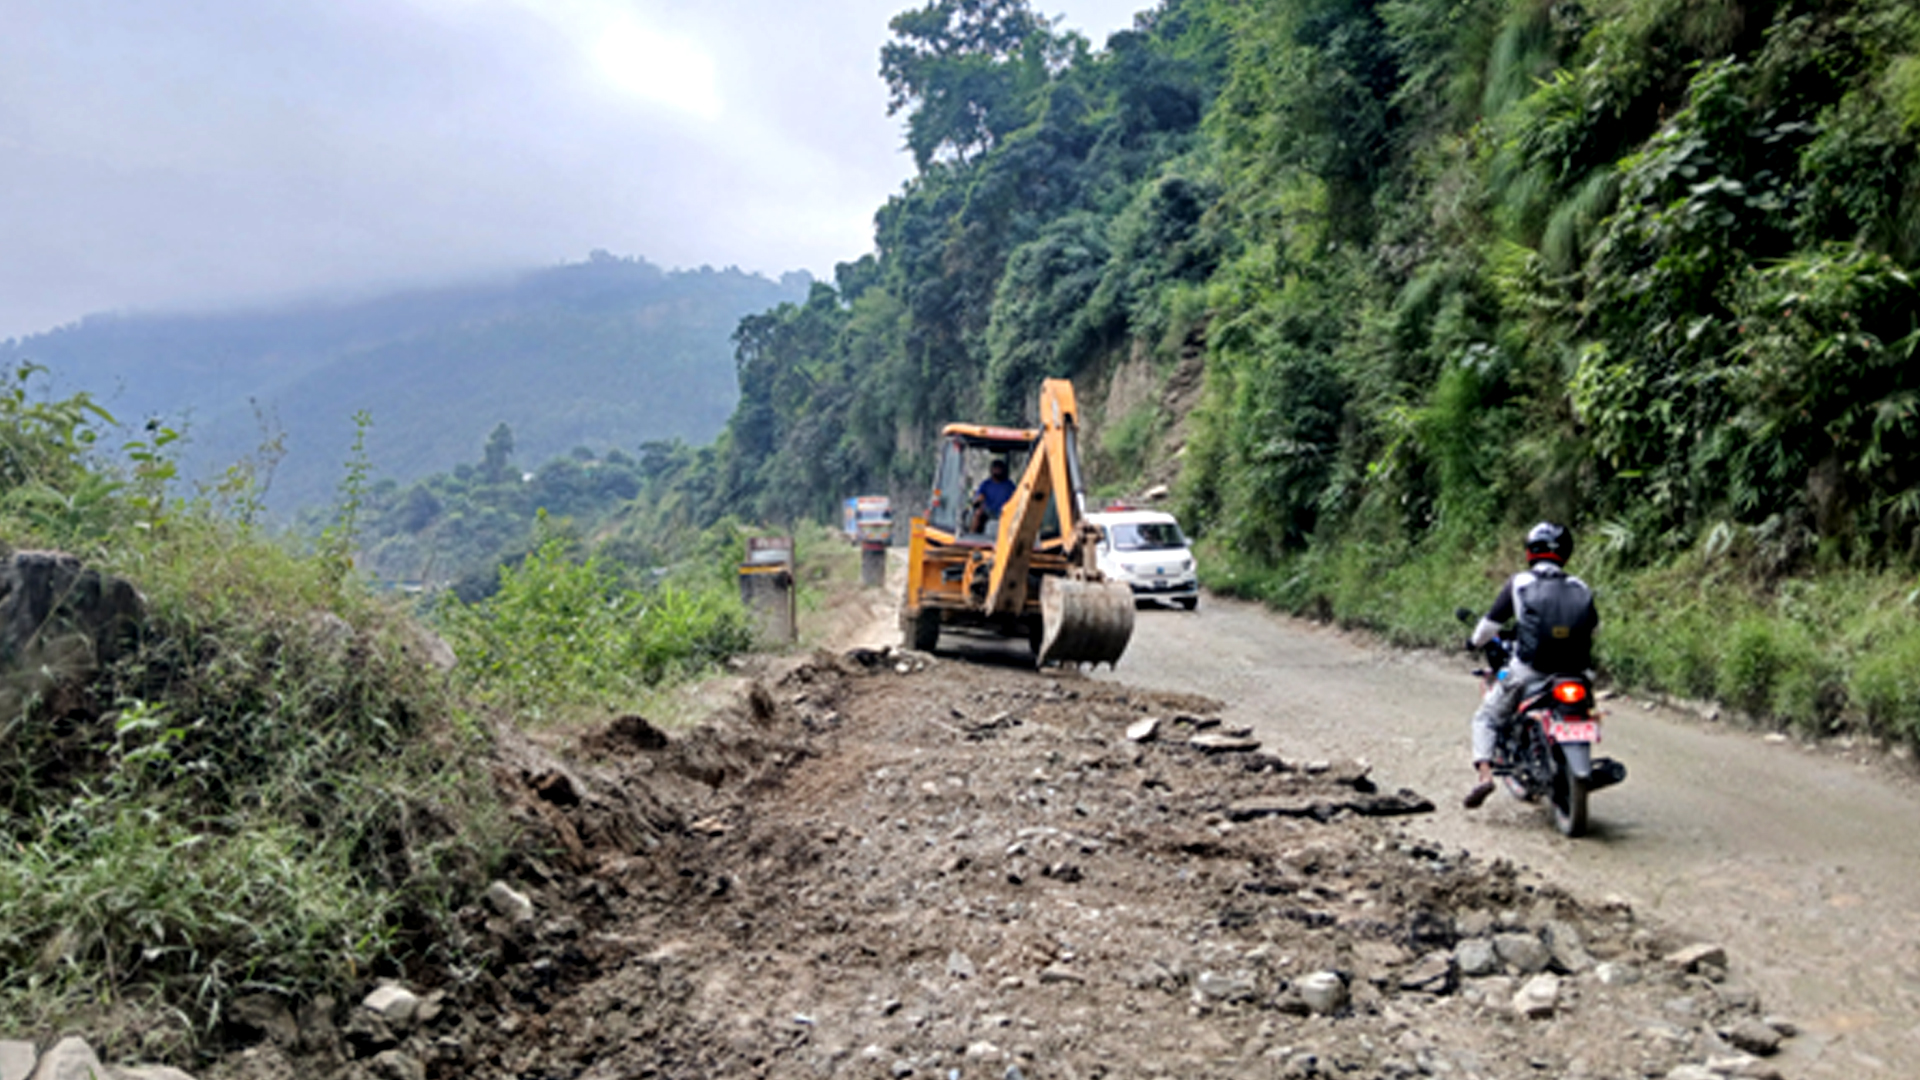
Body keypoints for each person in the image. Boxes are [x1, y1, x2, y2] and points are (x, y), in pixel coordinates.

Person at [1463, 521, 1600, 809]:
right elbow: (1593, 630)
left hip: (1530, 671)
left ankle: (1485, 776)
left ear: (1530, 552)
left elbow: (1490, 625)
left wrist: (1473, 643)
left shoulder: (1520, 583)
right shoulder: (1580, 586)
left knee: (1486, 717)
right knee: (1585, 712)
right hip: (1577, 674)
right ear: (1566, 553)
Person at [969, 458, 1016, 534]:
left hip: (1005, 512)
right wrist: (978, 500)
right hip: (989, 511)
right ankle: (971, 534)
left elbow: (1016, 497)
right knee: (978, 513)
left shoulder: (1009, 485)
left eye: (999, 468)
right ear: (991, 470)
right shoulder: (986, 484)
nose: (997, 470)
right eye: (995, 468)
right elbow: (979, 497)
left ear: (1003, 470)